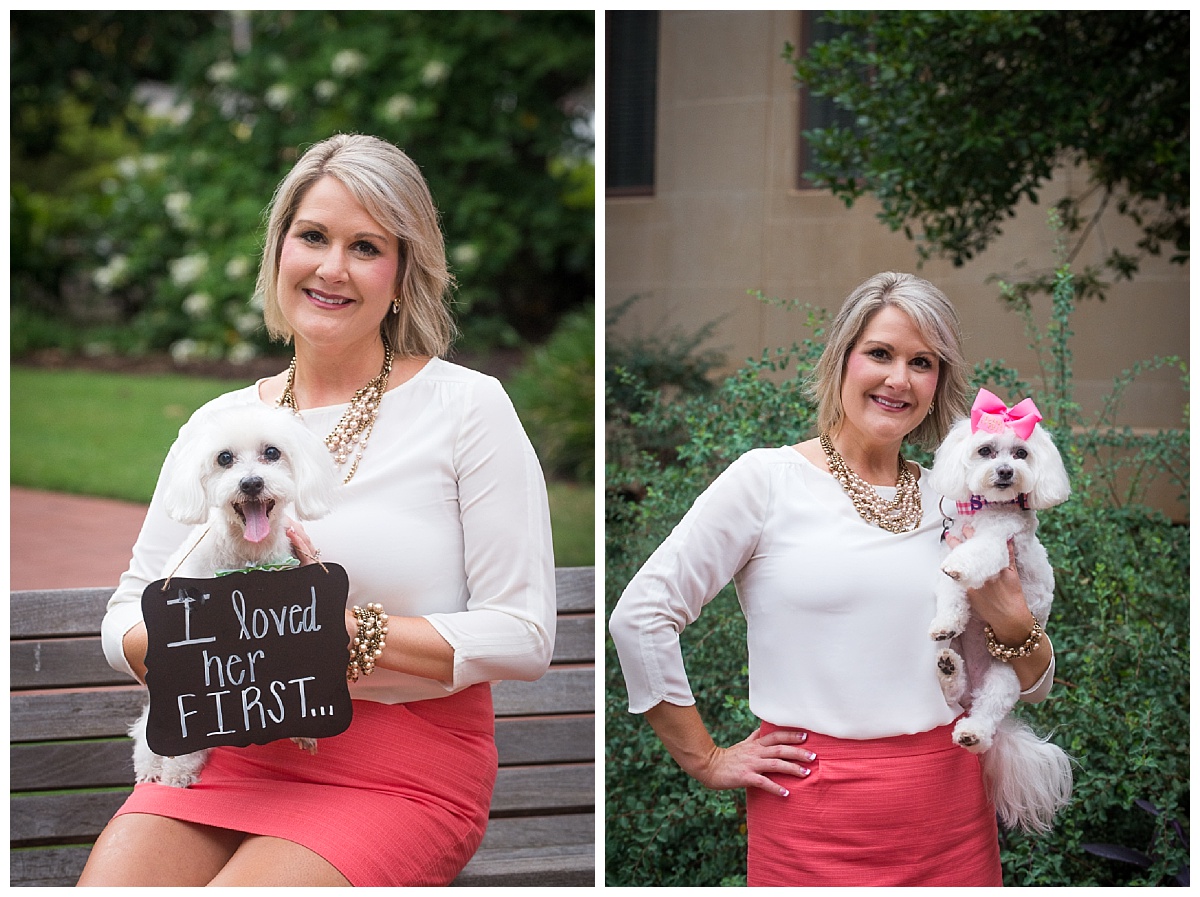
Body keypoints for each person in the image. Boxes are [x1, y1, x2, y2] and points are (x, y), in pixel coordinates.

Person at [78, 133, 557, 887]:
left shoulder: (467, 407)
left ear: (402, 275)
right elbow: (124, 614)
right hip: (226, 748)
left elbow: (525, 633)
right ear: (280, 254)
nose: (332, 267)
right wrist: (199, 640)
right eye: (313, 236)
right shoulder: (222, 427)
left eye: (365, 246)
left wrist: (349, 632)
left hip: (399, 768)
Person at [608, 272, 1057, 887]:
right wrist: (705, 757)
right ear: (842, 360)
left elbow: (1032, 686)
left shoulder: (960, 501)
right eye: (880, 353)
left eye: (921, 362)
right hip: (811, 818)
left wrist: (1010, 619)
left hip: (951, 817)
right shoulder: (766, 481)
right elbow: (641, 615)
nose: (898, 379)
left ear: (937, 385)